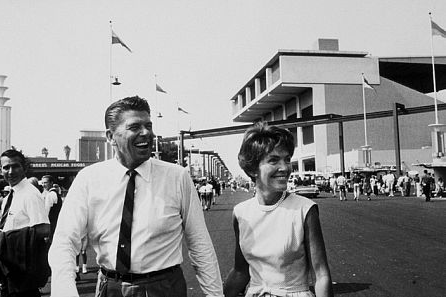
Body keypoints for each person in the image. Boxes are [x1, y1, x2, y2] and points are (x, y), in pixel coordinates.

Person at [48, 96, 223, 297]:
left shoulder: (177, 177)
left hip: (165, 288)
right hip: (110, 288)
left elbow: (200, 243)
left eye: (149, 125)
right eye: (135, 127)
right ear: (111, 136)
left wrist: (215, 295)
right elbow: (64, 242)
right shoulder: (88, 179)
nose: (146, 133)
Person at [223, 122, 333, 297]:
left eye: (287, 159)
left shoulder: (305, 209)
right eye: (273, 160)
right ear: (253, 169)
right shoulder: (241, 213)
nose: (285, 168)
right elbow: (240, 271)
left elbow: (321, 275)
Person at [0, 149, 50, 297]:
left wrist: (5, 239)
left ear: (24, 168)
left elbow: (44, 230)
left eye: (15, 166)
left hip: (24, 275)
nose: (10, 171)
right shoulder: (9, 196)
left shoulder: (30, 194)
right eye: (6, 167)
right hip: (9, 270)